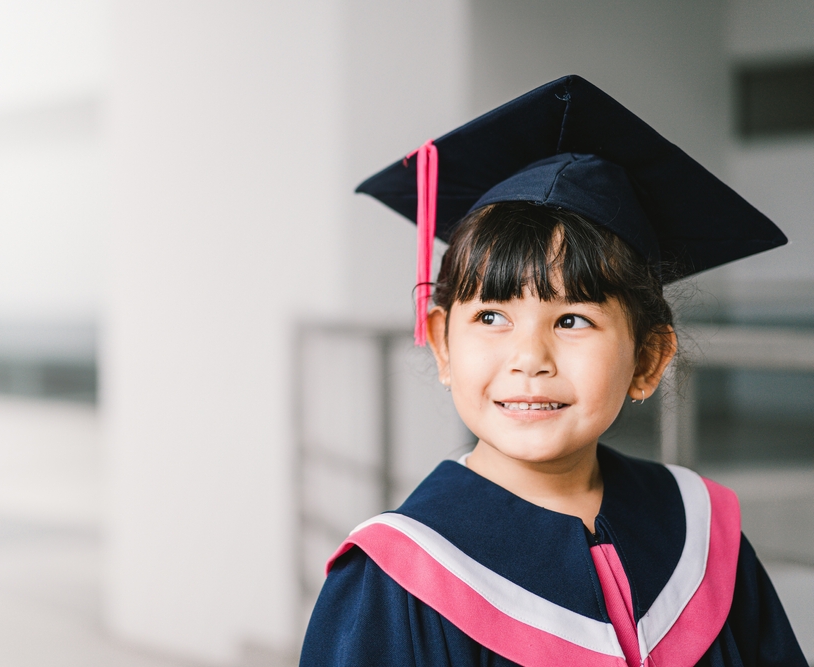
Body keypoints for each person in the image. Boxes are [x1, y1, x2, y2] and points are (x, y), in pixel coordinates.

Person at [299, 76, 807, 667]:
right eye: (491, 315)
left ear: (648, 359)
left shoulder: (700, 532)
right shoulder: (396, 578)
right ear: (441, 343)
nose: (530, 358)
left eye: (572, 320)